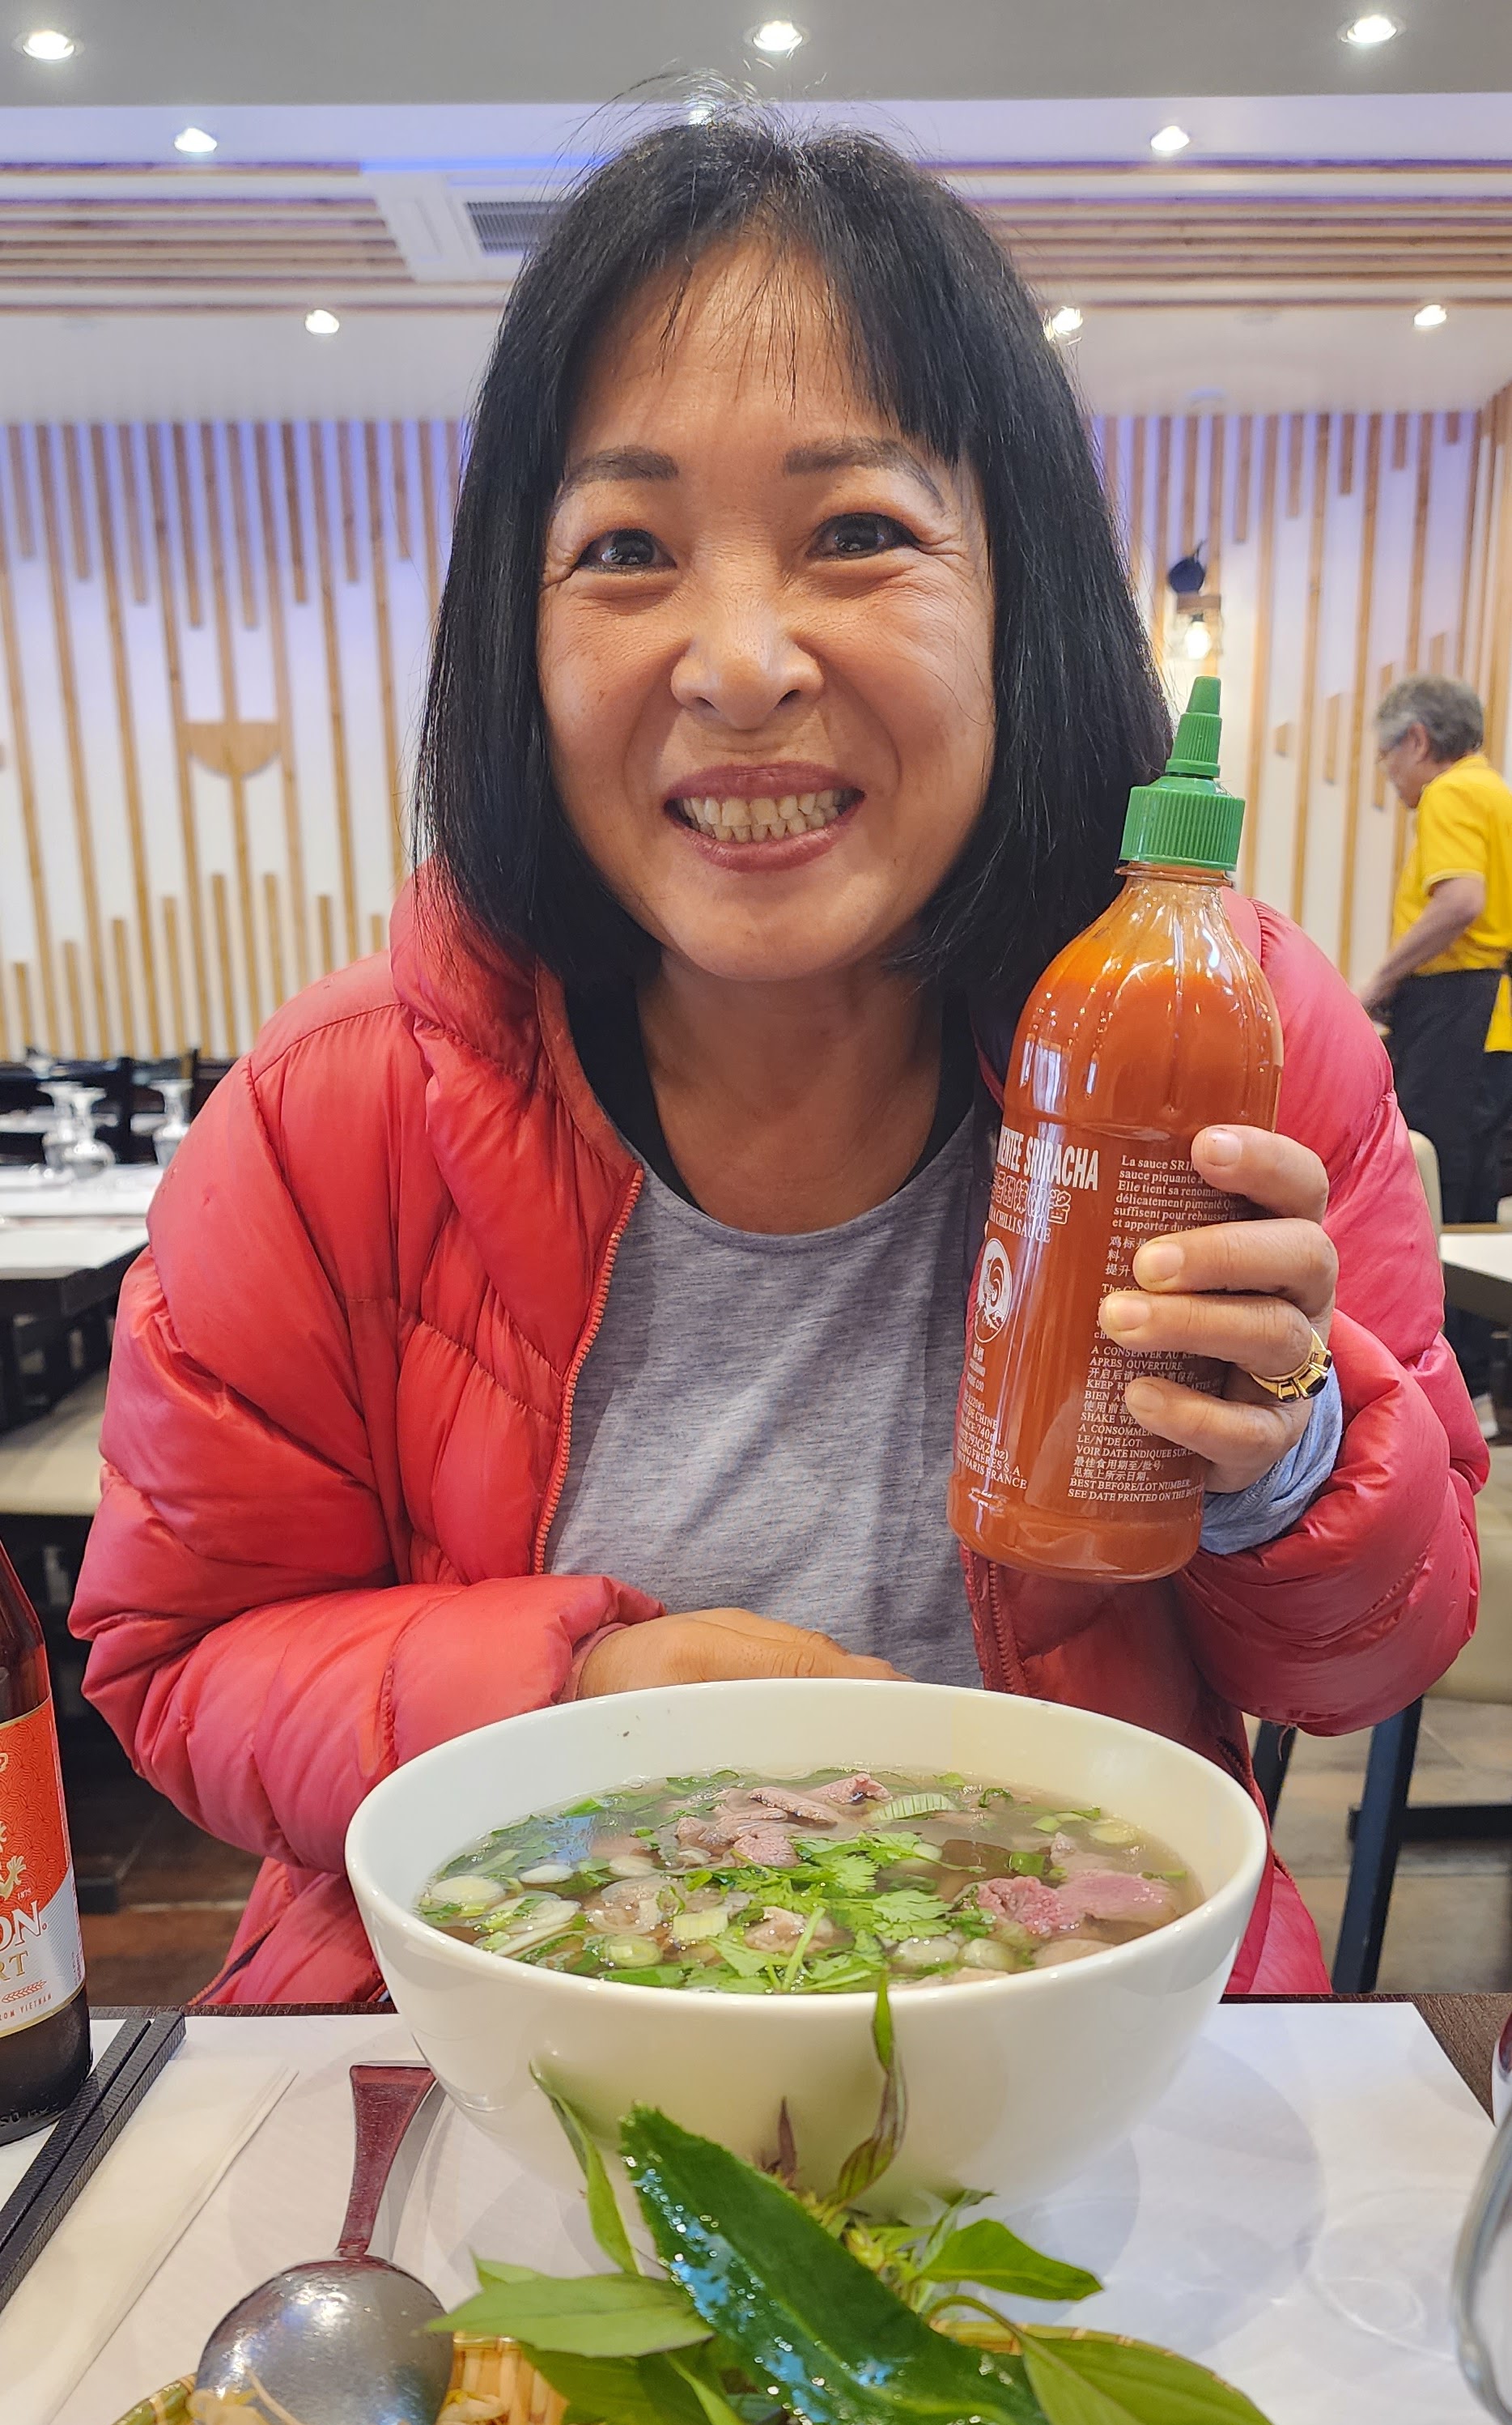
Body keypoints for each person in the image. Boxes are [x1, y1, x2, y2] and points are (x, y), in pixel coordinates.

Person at [70, 117, 1482, 2005]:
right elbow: (178, 1658)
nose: (739, 662)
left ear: (1021, 599)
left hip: (1074, 2032)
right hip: (504, 2040)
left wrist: (1280, 1462)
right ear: (517, 638)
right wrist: (574, 1696)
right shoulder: (335, 1105)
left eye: (857, 533)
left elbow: (1368, 1655)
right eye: (624, 548)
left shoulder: (1228, 1040)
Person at [1359, 673, 1512, 1389]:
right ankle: (1472, 1375)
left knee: (1426, 1191)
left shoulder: (1450, 792)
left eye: (1387, 756)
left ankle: (1428, 1373)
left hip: (1456, 1013)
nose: (1389, 775)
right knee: (1474, 1199)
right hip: (1493, 1021)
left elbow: (1460, 901)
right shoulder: (1496, 792)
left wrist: (1378, 982)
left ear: (1417, 740)